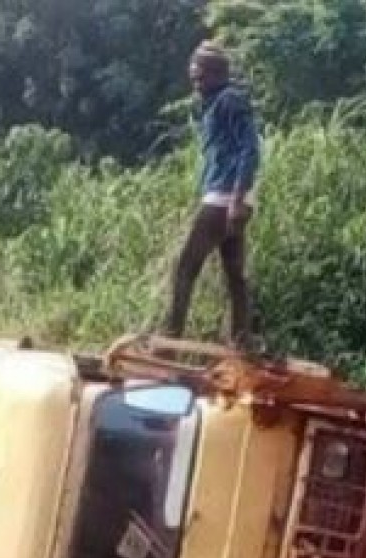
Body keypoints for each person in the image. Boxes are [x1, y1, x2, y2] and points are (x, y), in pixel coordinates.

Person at [165, 42, 261, 346]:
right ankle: (241, 340)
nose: (196, 83)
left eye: (201, 76)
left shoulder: (229, 100)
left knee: (185, 268)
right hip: (226, 197)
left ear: (218, 74)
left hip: (224, 198)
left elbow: (251, 148)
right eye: (194, 77)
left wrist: (236, 198)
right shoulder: (212, 104)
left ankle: (170, 340)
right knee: (234, 274)